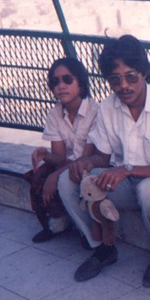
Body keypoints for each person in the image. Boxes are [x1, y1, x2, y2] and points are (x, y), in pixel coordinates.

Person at [57, 34, 150, 286]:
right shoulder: (108, 108)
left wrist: (128, 170)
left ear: (144, 73)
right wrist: (85, 163)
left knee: (149, 189)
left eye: (131, 77)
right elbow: (103, 157)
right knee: (68, 181)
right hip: (127, 184)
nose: (123, 86)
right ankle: (102, 248)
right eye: (115, 80)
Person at [25, 57, 99, 243]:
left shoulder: (96, 112)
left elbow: (88, 158)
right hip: (68, 165)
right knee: (39, 177)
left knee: (61, 179)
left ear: (81, 84)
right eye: (55, 81)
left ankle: (88, 231)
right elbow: (59, 157)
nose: (61, 85)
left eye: (67, 79)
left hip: (92, 165)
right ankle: (58, 221)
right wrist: (46, 155)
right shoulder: (54, 114)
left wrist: (55, 176)